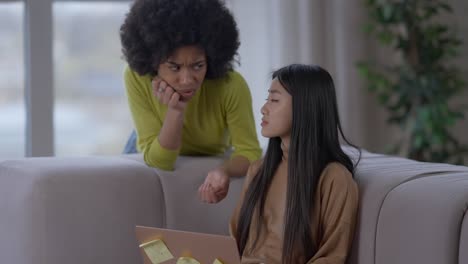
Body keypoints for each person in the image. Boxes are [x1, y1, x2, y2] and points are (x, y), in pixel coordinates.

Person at [119, 0, 262, 203]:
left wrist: (224, 170)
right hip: (149, 145)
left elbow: (250, 152)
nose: (187, 80)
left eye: (198, 65)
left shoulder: (231, 85)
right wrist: (176, 111)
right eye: (174, 67)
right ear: (152, 63)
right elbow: (161, 162)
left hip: (209, 151)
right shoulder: (137, 77)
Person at [230, 64, 361, 264]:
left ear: (304, 106)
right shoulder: (258, 170)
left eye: (274, 100)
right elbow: (233, 243)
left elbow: (332, 257)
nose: (263, 108)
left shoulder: (335, 178)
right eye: (268, 99)